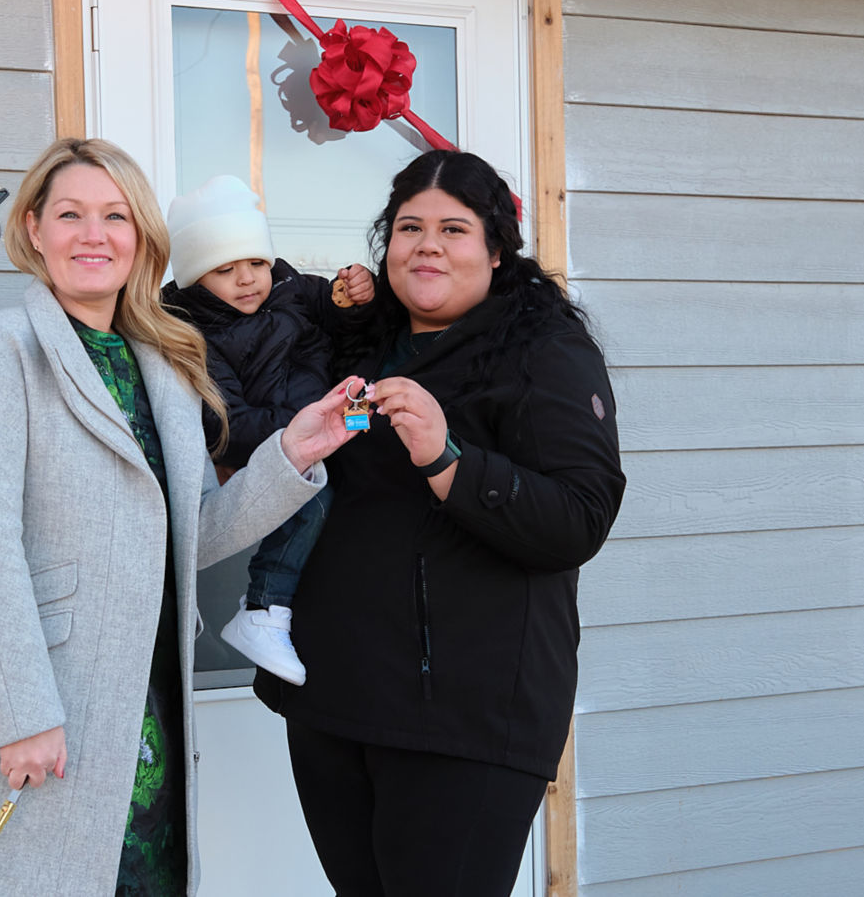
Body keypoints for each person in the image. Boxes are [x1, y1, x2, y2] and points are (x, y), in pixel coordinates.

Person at [0, 137, 363, 897]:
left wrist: (294, 452)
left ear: (142, 238)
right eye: (71, 215)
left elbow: (192, 534)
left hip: (148, 698)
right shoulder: (0, 352)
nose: (94, 235)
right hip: (50, 704)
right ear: (34, 229)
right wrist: (23, 714)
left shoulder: (164, 359)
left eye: (115, 216)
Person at [254, 150, 627, 895]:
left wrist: (447, 457)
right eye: (409, 226)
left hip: (467, 715)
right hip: (334, 701)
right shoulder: (356, 341)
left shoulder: (546, 352)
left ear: (496, 248)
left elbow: (579, 519)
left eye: (454, 228)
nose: (427, 243)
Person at [161, 174, 374, 685]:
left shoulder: (289, 286)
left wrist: (352, 295)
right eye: (225, 269)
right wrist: (294, 438)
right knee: (311, 502)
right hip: (280, 443)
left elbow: (336, 315)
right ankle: (262, 609)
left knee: (359, 484)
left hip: (328, 418)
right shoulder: (194, 332)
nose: (248, 278)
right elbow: (226, 421)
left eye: (256, 261)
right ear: (194, 277)